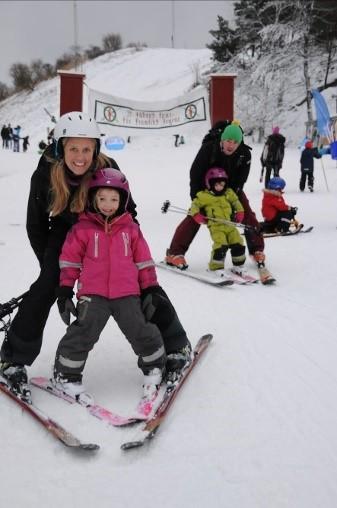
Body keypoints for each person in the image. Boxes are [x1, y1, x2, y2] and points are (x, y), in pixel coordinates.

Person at [0, 111, 190, 400]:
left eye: (86, 148)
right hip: (64, 233)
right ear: (59, 148)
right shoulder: (45, 174)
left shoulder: (107, 167)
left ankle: (177, 345)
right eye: (73, 148)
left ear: (96, 150)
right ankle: (12, 359)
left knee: (144, 282)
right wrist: (51, 268)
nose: (80, 156)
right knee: (46, 286)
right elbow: (35, 225)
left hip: (109, 228)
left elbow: (128, 207)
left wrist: (130, 243)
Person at [52, 168, 167, 403]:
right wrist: (64, 290)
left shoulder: (131, 229)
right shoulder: (82, 229)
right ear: (93, 198)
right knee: (83, 331)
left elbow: (144, 262)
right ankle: (65, 375)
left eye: (114, 199)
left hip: (127, 293)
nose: (107, 204)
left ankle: (154, 366)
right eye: (102, 198)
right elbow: (70, 262)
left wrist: (151, 289)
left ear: (122, 200)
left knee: (139, 328)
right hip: (92, 294)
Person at [165, 121, 266, 269]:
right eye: (228, 141)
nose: (231, 145)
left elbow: (240, 181)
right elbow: (195, 174)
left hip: (231, 190)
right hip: (206, 189)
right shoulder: (209, 149)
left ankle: (257, 249)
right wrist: (198, 200)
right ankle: (174, 254)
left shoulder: (245, 154)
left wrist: (232, 205)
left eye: (235, 142)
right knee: (193, 218)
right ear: (222, 140)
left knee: (248, 214)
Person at [189, 167, 246, 273]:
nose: (220, 187)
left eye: (222, 185)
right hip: (216, 227)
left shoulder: (228, 193)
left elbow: (236, 202)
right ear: (210, 184)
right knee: (221, 245)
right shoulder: (203, 196)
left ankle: (238, 266)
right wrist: (197, 215)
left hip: (230, 225)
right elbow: (194, 205)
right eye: (217, 185)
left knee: (238, 242)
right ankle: (216, 268)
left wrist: (240, 212)